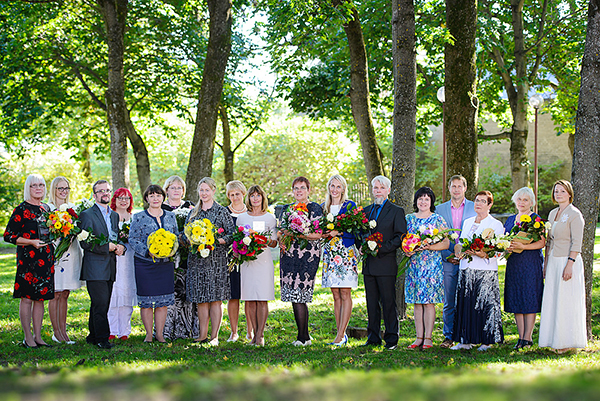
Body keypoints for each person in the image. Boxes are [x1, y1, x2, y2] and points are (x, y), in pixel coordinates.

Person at [4, 174, 54, 348]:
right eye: (34, 185)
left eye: (41, 184)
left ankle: (38, 336)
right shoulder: (21, 209)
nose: (38, 188)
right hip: (28, 260)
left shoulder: (46, 209)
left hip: (45, 259)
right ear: (28, 188)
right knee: (26, 298)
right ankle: (28, 338)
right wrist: (31, 242)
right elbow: (8, 236)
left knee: (40, 299)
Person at [452, 191, 504, 351]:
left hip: (484, 269)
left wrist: (483, 253)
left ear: (489, 205)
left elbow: (499, 249)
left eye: (483, 201)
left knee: (485, 304)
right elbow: (460, 243)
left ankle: (486, 341)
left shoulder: (495, 224)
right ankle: (465, 340)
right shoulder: (467, 222)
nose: (478, 203)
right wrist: (458, 251)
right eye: (476, 200)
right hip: (466, 269)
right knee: (466, 304)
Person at [185, 177, 235, 346]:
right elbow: (186, 235)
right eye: (201, 190)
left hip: (216, 260)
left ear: (213, 191)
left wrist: (215, 240)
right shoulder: (193, 213)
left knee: (215, 299)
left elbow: (231, 235)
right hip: (197, 261)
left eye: (207, 190)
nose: (204, 193)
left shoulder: (222, 211)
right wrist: (191, 240)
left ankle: (214, 336)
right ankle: (202, 334)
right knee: (201, 298)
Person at [539, 180, 586, 353]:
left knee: (566, 301)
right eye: (556, 191)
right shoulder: (552, 214)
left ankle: (567, 342)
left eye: (562, 191)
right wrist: (546, 263)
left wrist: (569, 264)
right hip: (553, 261)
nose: (558, 194)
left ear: (569, 194)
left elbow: (577, 242)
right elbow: (549, 241)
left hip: (568, 261)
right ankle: (553, 339)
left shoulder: (574, 214)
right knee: (553, 300)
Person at [361, 176, 407, 350]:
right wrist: (363, 246)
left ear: (388, 190)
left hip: (386, 264)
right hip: (369, 265)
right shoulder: (365, 212)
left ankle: (391, 339)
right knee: (371, 303)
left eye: (381, 188)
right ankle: (373, 337)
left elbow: (400, 237)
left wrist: (381, 248)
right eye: (375, 188)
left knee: (388, 302)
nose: (378, 191)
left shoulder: (396, 211)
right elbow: (360, 233)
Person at [79, 180, 125, 349]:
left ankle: (92, 335)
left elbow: (115, 237)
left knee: (100, 303)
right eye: (101, 191)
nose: (105, 193)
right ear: (94, 195)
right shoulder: (87, 215)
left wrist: (121, 246)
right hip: (94, 267)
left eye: (107, 190)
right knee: (100, 303)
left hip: (110, 266)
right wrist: (106, 247)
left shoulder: (114, 215)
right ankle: (102, 339)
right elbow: (85, 243)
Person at [129, 185, 178, 343]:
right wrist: (146, 251)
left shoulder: (171, 216)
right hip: (145, 264)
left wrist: (173, 249)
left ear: (163, 197)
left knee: (163, 302)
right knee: (147, 302)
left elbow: (176, 236)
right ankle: (149, 334)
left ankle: (160, 334)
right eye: (152, 196)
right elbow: (132, 239)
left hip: (165, 265)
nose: (155, 198)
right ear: (146, 198)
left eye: (158, 195)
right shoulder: (138, 217)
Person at [278, 176, 323, 346]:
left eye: (302, 188)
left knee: (301, 295)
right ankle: (304, 337)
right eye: (296, 188)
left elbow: (318, 234)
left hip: (307, 256)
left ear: (308, 190)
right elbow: (281, 229)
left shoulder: (315, 208)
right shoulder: (288, 209)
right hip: (288, 257)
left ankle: (302, 338)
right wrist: (281, 238)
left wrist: (297, 233)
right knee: (293, 295)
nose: (299, 191)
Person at [404, 187, 449, 349]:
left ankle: (428, 338)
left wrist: (430, 246)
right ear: (416, 201)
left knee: (429, 303)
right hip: (414, 265)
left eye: (426, 199)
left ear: (431, 202)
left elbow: (446, 243)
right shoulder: (409, 218)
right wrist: (407, 251)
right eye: (420, 198)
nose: (423, 202)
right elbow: (404, 241)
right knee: (417, 302)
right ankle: (418, 337)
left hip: (431, 266)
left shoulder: (437, 219)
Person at [436, 175, 476, 348]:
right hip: (447, 260)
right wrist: (448, 254)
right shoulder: (440, 209)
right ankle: (449, 335)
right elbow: (435, 235)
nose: (457, 189)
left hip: (469, 260)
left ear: (465, 188)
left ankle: (467, 335)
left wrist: (465, 254)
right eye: (454, 186)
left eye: (460, 186)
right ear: (449, 188)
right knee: (449, 300)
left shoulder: (475, 208)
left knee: (468, 299)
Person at [236, 185, 278, 346]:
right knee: (249, 299)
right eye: (252, 196)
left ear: (262, 198)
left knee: (262, 298)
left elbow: (274, 242)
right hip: (247, 262)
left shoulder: (269, 218)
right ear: (248, 198)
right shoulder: (242, 218)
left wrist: (264, 240)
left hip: (263, 261)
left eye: (258, 195)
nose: (255, 198)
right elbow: (238, 240)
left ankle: (260, 335)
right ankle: (253, 333)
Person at [504, 187, 545, 349]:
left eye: (525, 200)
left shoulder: (536, 219)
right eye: (519, 199)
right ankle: (520, 337)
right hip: (514, 263)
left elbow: (542, 242)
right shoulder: (510, 220)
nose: (522, 202)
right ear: (515, 201)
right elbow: (505, 239)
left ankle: (528, 338)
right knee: (516, 298)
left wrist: (522, 246)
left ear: (531, 202)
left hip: (530, 262)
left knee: (529, 297)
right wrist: (506, 247)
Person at [321, 174, 358, 346]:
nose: (334, 189)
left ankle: (341, 334)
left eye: (338, 186)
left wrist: (339, 233)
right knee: (335, 294)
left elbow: (356, 228)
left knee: (345, 292)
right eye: (332, 186)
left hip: (345, 253)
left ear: (343, 188)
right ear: (328, 188)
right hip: (330, 253)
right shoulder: (324, 207)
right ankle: (340, 335)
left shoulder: (349, 206)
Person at [161, 176, 199, 341]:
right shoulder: (160, 207)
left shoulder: (190, 207)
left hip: (185, 257)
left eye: (179, 188)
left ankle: (186, 329)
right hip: (166, 256)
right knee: (168, 294)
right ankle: (166, 330)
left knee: (185, 293)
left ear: (183, 190)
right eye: (172, 187)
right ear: (167, 190)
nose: (176, 191)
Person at [47, 176, 82, 344]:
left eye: (66, 188)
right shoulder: (48, 208)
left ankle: (63, 331)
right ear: (54, 190)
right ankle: (56, 332)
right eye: (60, 188)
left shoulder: (72, 208)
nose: (63, 191)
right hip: (56, 254)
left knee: (65, 293)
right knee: (55, 293)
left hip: (72, 252)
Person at [107, 188, 137, 341]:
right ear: (115, 200)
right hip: (113, 258)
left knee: (126, 295)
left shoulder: (134, 218)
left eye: (127, 198)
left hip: (129, 260)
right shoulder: (109, 216)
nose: (123, 201)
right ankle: (112, 329)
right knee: (113, 295)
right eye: (120, 198)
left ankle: (124, 331)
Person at [225, 180, 250, 342]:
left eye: (238, 194)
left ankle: (250, 331)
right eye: (232, 194)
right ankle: (234, 332)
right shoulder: (224, 212)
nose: (235, 197)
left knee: (249, 296)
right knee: (233, 296)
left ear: (243, 194)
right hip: (231, 260)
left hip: (250, 260)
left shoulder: (252, 212)